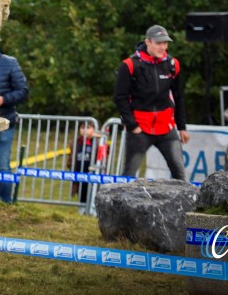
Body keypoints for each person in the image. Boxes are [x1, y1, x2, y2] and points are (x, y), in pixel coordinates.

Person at [114, 24, 190, 180]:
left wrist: (182, 127)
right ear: (148, 42)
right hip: (140, 129)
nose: (163, 47)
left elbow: (179, 96)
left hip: (166, 129)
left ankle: (186, 205)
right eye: (158, 43)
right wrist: (132, 126)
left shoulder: (172, 65)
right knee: (128, 176)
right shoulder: (129, 65)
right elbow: (120, 97)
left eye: (165, 43)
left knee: (180, 173)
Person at [0, 32, 28, 203]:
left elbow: (23, 91)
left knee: (3, 165)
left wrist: (2, 99)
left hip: (4, 122)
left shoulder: (9, 63)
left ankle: (6, 202)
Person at [67, 122, 101, 205]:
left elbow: (105, 153)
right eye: (82, 128)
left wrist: (100, 139)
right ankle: (82, 211)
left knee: (94, 194)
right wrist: (70, 165)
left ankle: (93, 210)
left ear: (94, 129)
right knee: (81, 194)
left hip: (93, 174)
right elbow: (71, 156)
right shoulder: (76, 142)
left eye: (88, 128)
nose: (84, 130)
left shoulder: (98, 142)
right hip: (80, 173)